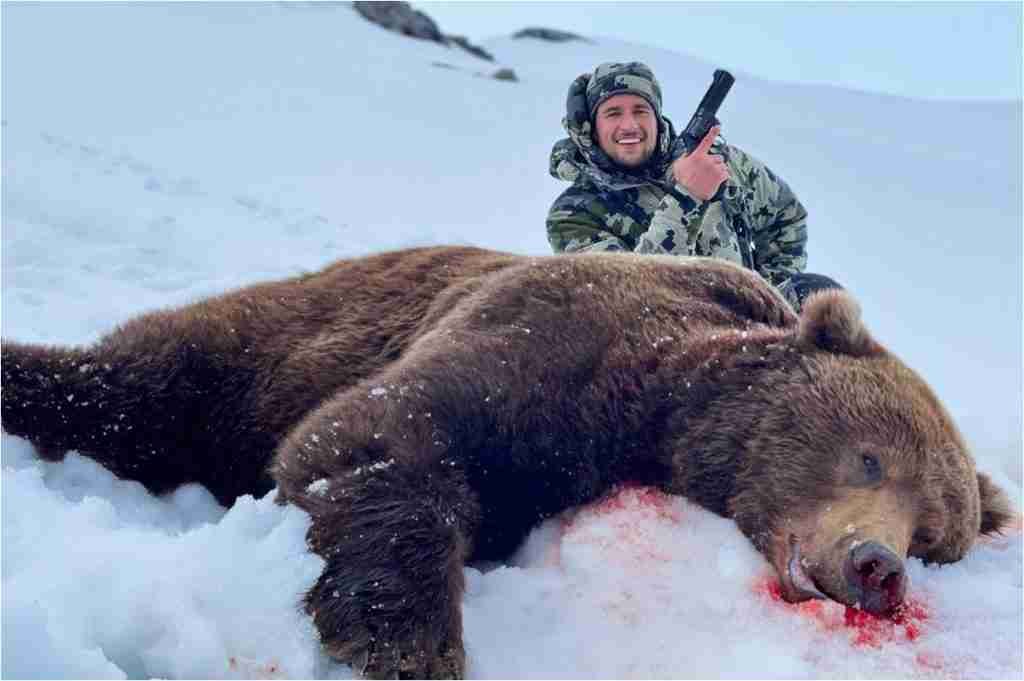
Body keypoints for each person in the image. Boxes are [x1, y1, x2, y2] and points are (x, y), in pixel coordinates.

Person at [546, 61, 840, 310]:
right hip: (662, 348)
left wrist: (767, 296)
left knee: (821, 298)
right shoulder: (572, 216)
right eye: (613, 113)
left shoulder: (715, 161)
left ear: (657, 118)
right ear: (592, 127)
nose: (629, 125)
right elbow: (630, 299)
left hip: (747, 329)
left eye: (640, 111)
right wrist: (686, 198)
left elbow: (786, 217)